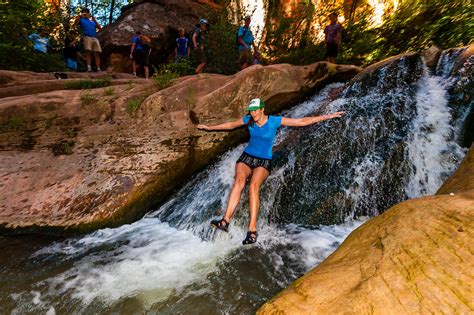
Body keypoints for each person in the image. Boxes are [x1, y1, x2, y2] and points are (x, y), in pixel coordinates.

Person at [197, 98, 345, 245]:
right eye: (251, 111)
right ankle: (225, 221)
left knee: (254, 187)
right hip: (247, 157)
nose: (253, 113)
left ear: (262, 109)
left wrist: (327, 116)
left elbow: (300, 121)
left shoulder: (274, 121)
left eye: (255, 110)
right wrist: (210, 128)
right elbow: (231, 125)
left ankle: (252, 230)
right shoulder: (249, 119)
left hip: (264, 160)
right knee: (239, 182)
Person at [75, 7, 102, 72]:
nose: (85, 13)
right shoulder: (81, 20)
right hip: (87, 37)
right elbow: (76, 23)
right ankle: (89, 68)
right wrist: (80, 16)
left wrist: (94, 20)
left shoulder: (92, 21)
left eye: (86, 12)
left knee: (97, 53)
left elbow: (99, 28)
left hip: (95, 37)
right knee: (88, 52)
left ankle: (98, 68)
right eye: (84, 12)